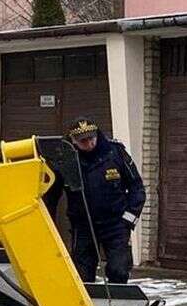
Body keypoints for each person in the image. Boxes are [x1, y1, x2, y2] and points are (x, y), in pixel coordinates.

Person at [46, 118, 146, 284]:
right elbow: (51, 197)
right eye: (83, 141)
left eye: (92, 138)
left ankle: (118, 305)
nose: (90, 143)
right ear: (73, 141)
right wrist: (49, 226)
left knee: (119, 270)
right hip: (83, 226)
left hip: (115, 224)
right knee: (82, 276)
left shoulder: (115, 153)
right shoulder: (64, 159)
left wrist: (128, 220)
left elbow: (137, 188)